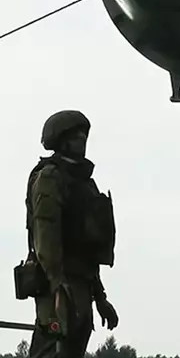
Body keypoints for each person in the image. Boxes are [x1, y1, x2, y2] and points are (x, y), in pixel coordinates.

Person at [26, 110, 120, 358]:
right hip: (57, 287)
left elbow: (88, 248)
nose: (82, 139)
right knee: (49, 352)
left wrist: (100, 298)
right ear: (62, 140)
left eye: (84, 134)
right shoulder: (50, 178)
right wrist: (57, 285)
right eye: (75, 135)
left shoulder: (84, 184)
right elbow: (46, 236)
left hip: (81, 289)